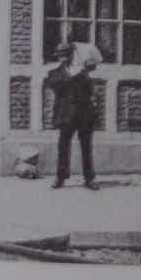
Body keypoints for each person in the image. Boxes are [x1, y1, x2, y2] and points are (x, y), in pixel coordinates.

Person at [45, 42, 100, 190]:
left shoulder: (84, 73)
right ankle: (60, 178)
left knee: (86, 147)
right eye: (60, 56)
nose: (63, 59)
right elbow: (57, 85)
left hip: (83, 114)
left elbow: (90, 91)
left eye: (65, 55)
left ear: (71, 55)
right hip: (65, 114)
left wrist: (83, 73)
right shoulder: (55, 73)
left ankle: (89, 179)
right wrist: (77, 74)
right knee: (63, 147)